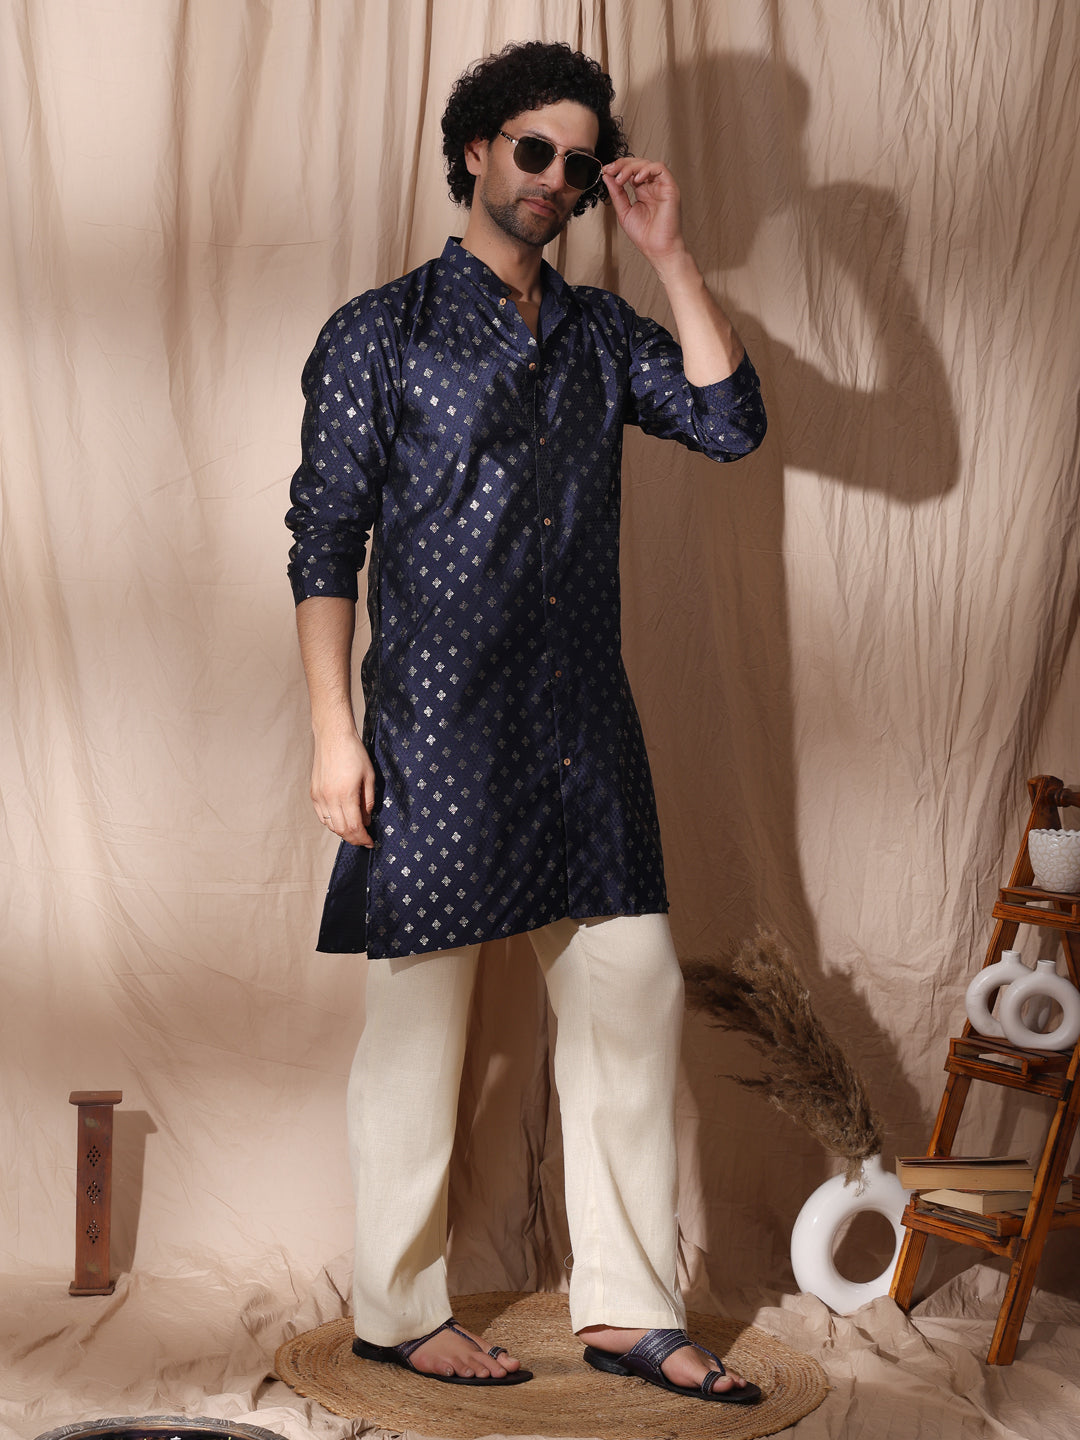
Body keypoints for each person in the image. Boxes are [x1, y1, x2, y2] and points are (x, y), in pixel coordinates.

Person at [286, 40, 766, 1405]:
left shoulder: (605, 334)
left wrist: (670, 258)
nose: (555, 176)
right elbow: (324, 538)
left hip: (584, 735)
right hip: (434, 732)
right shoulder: (378, 331)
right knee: (416, 1037)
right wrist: (334, 732)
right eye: (533, 149)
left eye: (578, 161)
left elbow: (730, 424)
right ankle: (396, 1313)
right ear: (477, 151)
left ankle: (629, 1312)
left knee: (633, 1001)